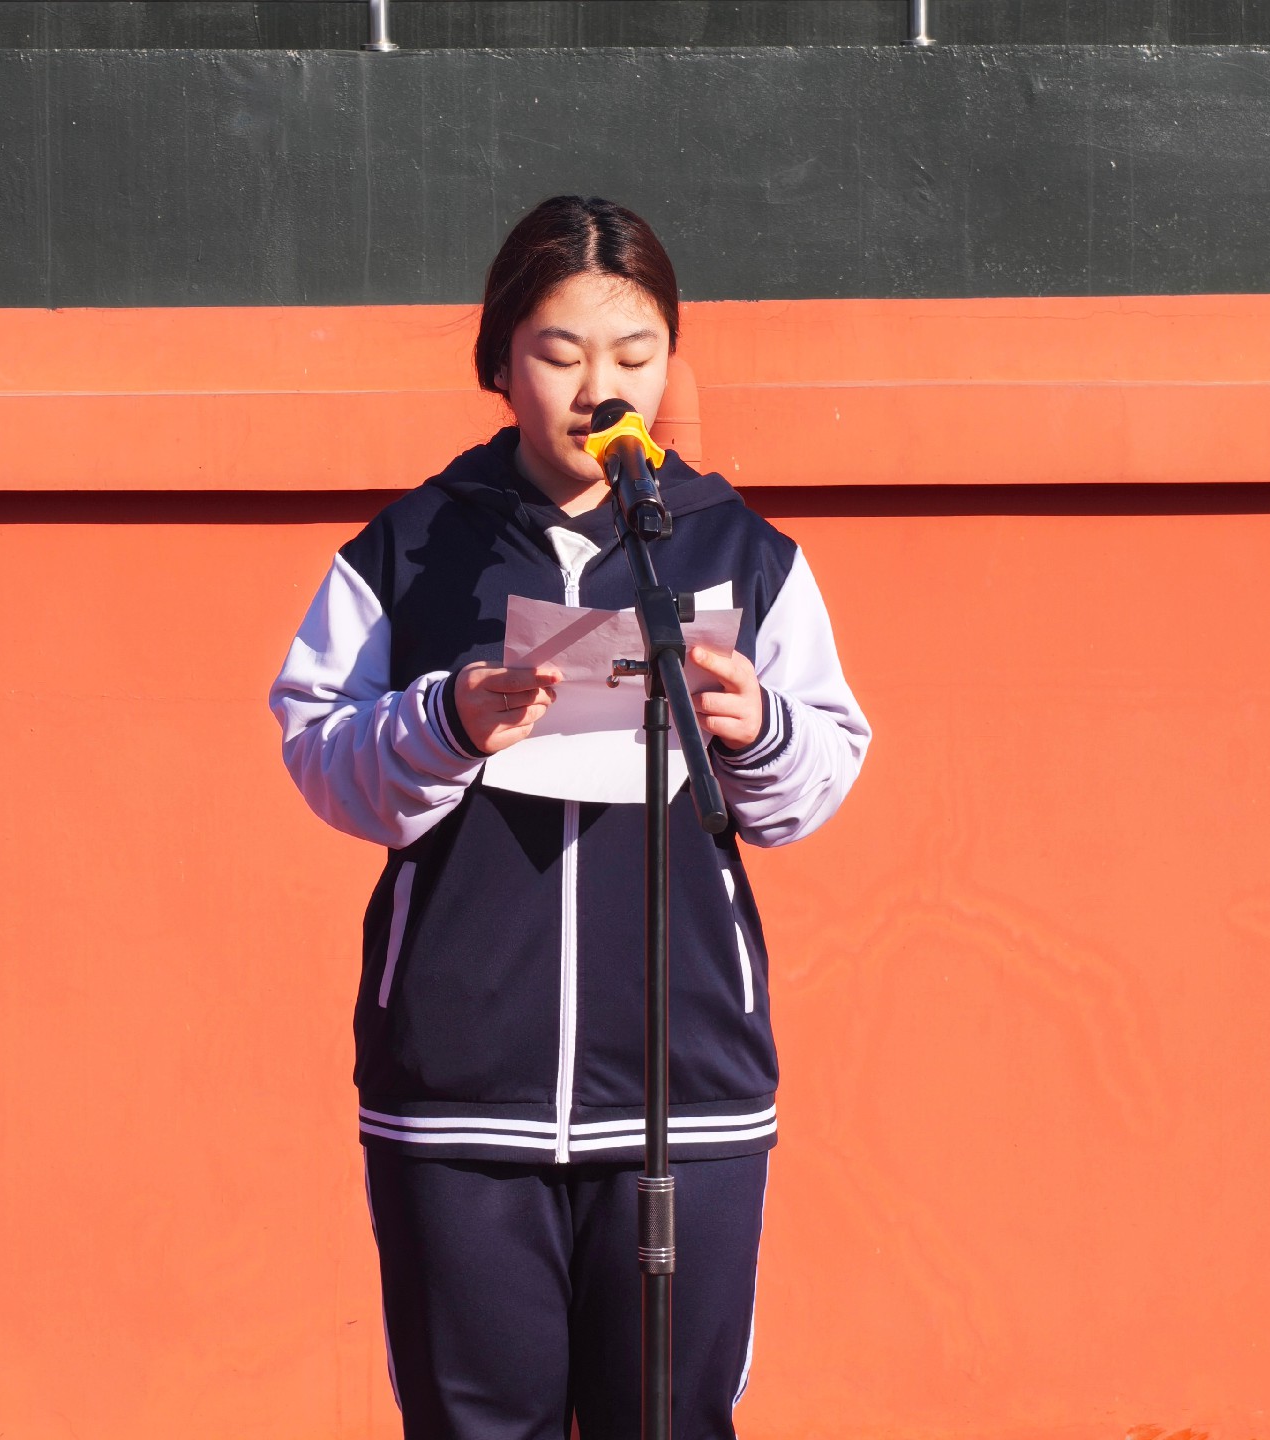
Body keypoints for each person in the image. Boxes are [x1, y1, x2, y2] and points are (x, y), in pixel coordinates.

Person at [268, 195, 870, 1440]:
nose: (603, 389)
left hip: (686, 1087)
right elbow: (320, 752)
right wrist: (446, 721)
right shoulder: (412, 547)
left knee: (671, 1418)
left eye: (637, 356)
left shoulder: (740, 550)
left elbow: (816, 780)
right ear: (499, 363)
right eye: (561, 354)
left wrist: (756, 725)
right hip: (460, 1093)